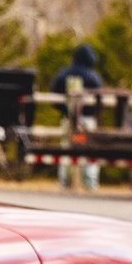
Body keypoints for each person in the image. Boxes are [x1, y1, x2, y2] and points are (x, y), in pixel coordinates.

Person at [49, 44, 105, 191]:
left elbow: (54, 95)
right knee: (90, 150)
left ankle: (64, 183)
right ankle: (90, 184)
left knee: (67, 148)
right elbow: (101, 98)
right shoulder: (93, 76)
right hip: (87, 120)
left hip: (68, 120)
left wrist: (65, 110)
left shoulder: (64, 74)